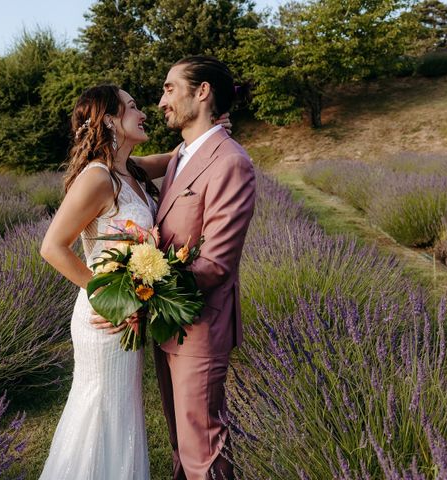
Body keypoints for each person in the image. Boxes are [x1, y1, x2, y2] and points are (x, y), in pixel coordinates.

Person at [39, 84, 231, 479]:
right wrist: (110, 300)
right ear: (109, 120)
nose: (143, 112)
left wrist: (213, 127)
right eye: (132, 107)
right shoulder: (97, 178)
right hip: (105, 317)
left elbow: (182, 156)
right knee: (100, 410)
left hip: (127, 312)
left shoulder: (132, 170)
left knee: (121, 413)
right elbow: (53, 247)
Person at [152, 56, 256, 480]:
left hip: (200, 327)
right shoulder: (182, 156)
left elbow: (215, 263)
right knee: (181, 444)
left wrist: (142, 281)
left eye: (169, 88)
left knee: (203, 451)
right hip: (167, 322)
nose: (161, 101)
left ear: (203, 91)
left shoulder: (232, 162)